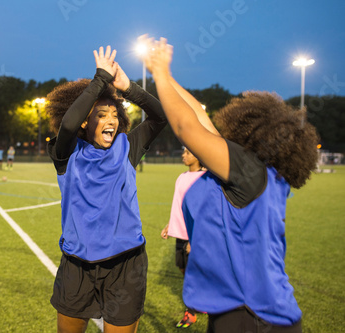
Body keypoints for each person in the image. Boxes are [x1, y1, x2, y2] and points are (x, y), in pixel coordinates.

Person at [141, 35, 318, 333]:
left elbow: (187, 127)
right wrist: (167, 77)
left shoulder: (248, 169)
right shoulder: (266, 174)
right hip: (260, 311)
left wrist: (158, 73)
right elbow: (198, 114)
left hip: (252, 316)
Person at [46, 46, 167, 333]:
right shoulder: (66, 154)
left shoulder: (127, 147)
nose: (111, 120)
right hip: (77, 265)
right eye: (101, 115)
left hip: (126, 265)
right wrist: (99, 79)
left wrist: (128, 89)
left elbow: (160, 117)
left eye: (115, 114)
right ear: (86, 122)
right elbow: (68, 124)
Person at [160, 147, 205, 328]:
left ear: (198, 156)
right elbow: (178, 205)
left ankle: (191, 312)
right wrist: (170, 225)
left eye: (188, 152)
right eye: (183, 152)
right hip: (181, 232)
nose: (183, 155)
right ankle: (202, 299)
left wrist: (194, 240)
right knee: (182, 268)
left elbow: (204, 210)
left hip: (196, 234)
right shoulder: (181, 177)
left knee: (192, 274)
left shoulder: (205, 178)